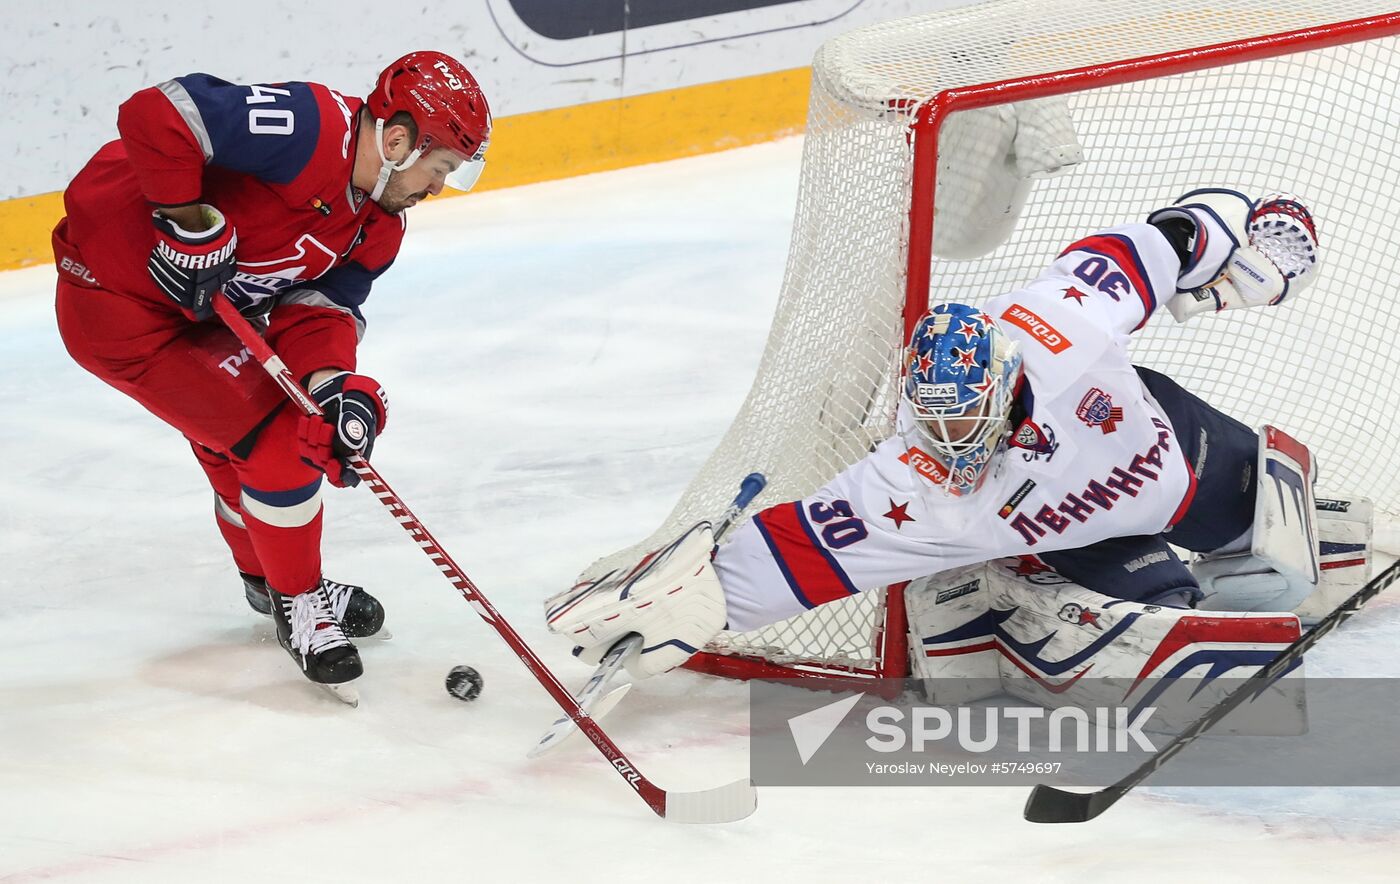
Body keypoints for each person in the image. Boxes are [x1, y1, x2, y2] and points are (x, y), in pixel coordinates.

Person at [547, 187, 1333, 681]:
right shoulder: (908, 478)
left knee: (1279, 555)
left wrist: (1258, 245)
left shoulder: (1065, 321)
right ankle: (1016, 574)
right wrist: (695, 603)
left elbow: (1186, 229)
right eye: (937, 417)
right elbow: (802, 550)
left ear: (1002, 383)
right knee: (1164, 621)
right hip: (1082, 535)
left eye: (965, 416)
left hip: (1177, 453)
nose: (952, 437)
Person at [54, 52, 491, 695]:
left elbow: (319, 309)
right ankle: (299, 600)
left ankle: (266, 580)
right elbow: (159, 113)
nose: (436, 189)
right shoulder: (310, 129)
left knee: (250, 439)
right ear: (398, 140)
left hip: (208, 320)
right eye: (441, 169)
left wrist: (333, 389)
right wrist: (188, 222)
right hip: (119, 309)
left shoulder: (379, 227)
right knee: (278, 441)